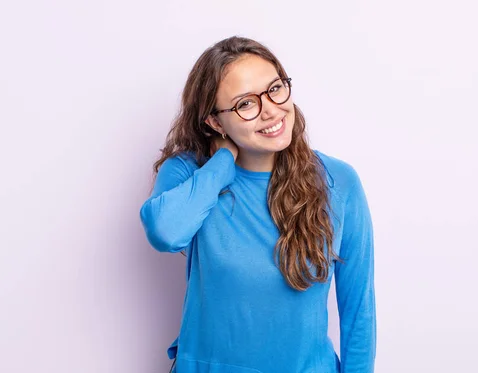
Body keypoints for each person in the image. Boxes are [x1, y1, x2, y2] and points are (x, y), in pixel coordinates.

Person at [139, 35, 376, 373]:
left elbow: (358, 311)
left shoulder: (338, 181)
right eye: (245, 104)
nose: (271, 111)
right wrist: (222, 161)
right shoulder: (190, 173)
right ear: (215, 122)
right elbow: (165, 232)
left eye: (275, 89)